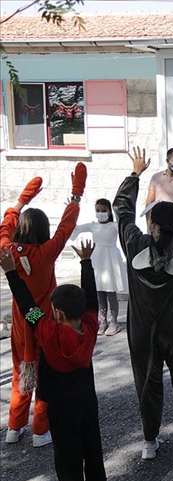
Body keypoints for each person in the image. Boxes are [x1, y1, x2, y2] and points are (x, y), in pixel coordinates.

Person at [116, 145, 173, 461]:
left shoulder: (134, 243)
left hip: (142, 331)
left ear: (151, 224)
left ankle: (149, 442)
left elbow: (122, 210)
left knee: (147, 383)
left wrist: (135, 174)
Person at [1, 241, 107, 481]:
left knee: (67, 461)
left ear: (57, 314)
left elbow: (28, 307)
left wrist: (10, 272)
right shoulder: (90, 328)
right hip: (86, 402)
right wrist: (86, 262)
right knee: (93, 452)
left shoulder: (48, 332)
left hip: (61, 408)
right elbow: (91, 301)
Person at [2, 166, 86, 448]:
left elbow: (4, 228)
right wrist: (75, 196)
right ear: (42, 231)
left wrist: (21, 201)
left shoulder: (7, 252)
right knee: (46, 376)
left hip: (19, 324)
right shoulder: (47, 253)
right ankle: (40, 430)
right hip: (43, 323)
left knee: (19, 372)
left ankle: (14, 427)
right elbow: (66, 227)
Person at [71, 198, 127, 336]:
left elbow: (125, 227)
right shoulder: (93, 226)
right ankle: (102, 321)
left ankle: (114, 321)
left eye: (103, 211)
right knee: (99, 292)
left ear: (109, 212)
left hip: (110, 259)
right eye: (98, 211)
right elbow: (77, 228)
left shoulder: (114, 226)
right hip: (97, 259)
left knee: (110, 292)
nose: (100, 213)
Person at [146, 148, 173, 216]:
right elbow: (150, 202)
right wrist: (149, 222)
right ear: (167, 161)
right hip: (159, 223)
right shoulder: (156, 178)